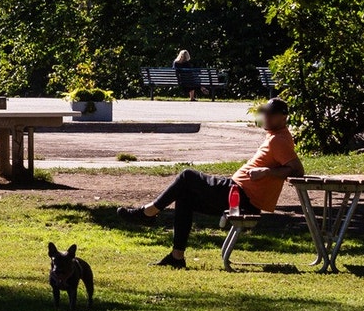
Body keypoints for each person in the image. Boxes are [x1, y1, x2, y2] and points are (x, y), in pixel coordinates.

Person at [118, 97, 303, 268]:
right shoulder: (275, 135)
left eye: (271, 114)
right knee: (185, 197)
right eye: (264, 112)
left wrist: (267, 172)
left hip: (242, 197)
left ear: (283, 117)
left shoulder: (279, 140)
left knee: (187, 176)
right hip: (238, 193)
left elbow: (298, 170)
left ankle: (148, 213)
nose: (266, 117)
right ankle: (176, 257)